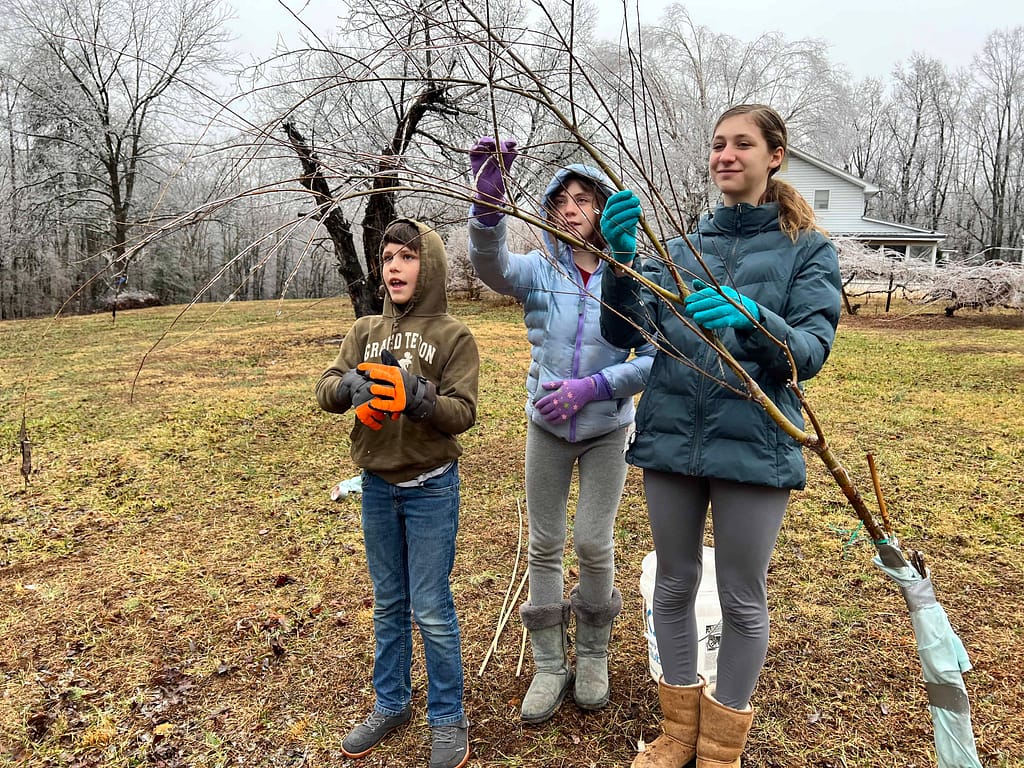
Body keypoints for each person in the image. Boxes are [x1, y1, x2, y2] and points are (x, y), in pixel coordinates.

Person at [598, 104, 842, 768]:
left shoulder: (809, 251)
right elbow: (625, 334)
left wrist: (754, 316)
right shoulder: (679, 252)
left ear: (775, 156)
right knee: (674, 585)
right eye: (717, 145)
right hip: (672, 436)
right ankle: (678, 733)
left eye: (742, 144)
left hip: (753, 444)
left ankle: (722, 750)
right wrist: (620, 265)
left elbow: (810, 354)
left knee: (741, 594)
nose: (725, 155)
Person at [467, 137, 654, 723]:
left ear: (602, 208)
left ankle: (593, 654)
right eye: (560, 201)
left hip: (606, 428)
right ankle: (550, 665)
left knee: (594, 543)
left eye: (583, 199)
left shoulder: (631, 276)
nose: (570, 209)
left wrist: (593, 388)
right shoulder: (540, 269)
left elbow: (653, 357)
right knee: (545, 546)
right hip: (546, 427)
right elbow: (490, 266)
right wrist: (487, 209)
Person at [315, 218, 479, 768]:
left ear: (427, 265)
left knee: (430, 607)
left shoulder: (453, 336)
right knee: (388, 602)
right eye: (387, 258)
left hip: (431, 489)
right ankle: (392, 703)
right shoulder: (363, 331)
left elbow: (464, 413)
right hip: (377, 489)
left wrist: (418, 396)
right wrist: (346, 389)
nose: (394, 268)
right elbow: (326, 388)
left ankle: (447, 716)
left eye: (407, 257)